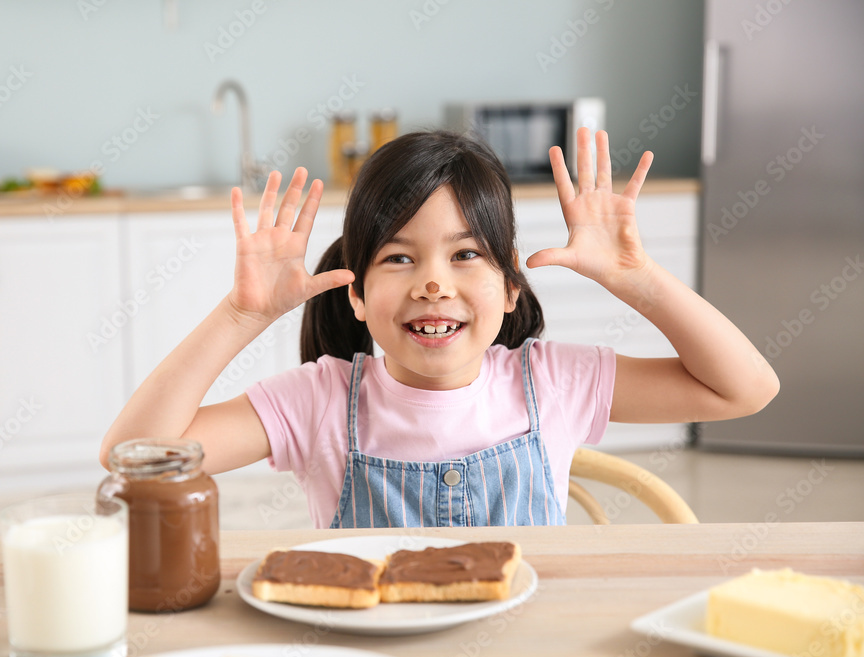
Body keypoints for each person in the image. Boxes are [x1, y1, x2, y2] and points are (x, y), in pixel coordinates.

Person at [100, 128, 779, 528]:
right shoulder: (321, 399)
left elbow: (744, 390)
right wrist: (240, 315)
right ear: (358, 294)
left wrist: (637, 278)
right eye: (399, 256)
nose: (433, 281)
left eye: (465, 254)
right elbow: (132, 455)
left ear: (511, 285)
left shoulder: (553, 380)